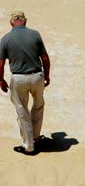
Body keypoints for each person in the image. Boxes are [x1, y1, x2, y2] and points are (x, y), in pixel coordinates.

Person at [0, 10, 50, 155]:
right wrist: (47, 76)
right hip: (37, 76)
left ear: (11, 23)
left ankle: (29, 145)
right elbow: (45, 58)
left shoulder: (6, 39)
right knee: (38, 105)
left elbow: (1, 63)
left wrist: (1, 80)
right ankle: (35, 137)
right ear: (25, 21)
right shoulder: (35, 34)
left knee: (22, 111)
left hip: (19, 78)